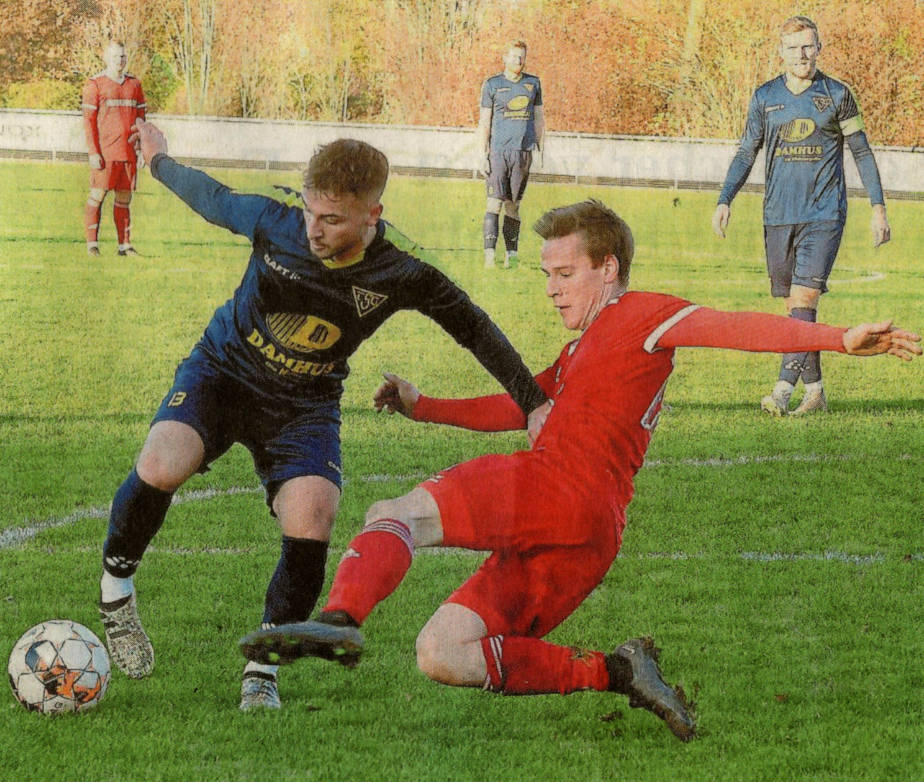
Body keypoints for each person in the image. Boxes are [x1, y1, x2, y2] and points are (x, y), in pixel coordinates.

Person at [240, 199, 920, 741]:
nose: (552, 291)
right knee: (443, 652)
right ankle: (617, 671)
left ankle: (340, 615)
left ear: (609, 269)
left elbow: (732, 326)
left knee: (395, 515)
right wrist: (426, 407)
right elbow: (524, 403)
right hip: (592, 536)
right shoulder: (584, 349)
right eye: (547, 276)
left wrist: (835, 339)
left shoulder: (641, 314)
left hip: (559, 488)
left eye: (565, 274)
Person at [98, 118, 550, 712]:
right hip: (223, 373)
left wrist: (533, 400)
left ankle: (263, 668)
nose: (314, 227)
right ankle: (116, 594)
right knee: (162, 461)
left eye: (332, 219)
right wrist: (158, 161)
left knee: (314, 514)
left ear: (371, 214)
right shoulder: (277, 221)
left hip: (304, 404)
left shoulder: (403, 267)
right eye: (311, 210)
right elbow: (212, 199)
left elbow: (473, 328)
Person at [712, 15, 891, 416]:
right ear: (781, 53)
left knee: (803, 297)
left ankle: (781, 390)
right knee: (794, 309)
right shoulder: (764, 98)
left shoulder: (838, 94)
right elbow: (746, 151)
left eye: (808, 46)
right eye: (793, 48)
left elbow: (861, 151)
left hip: (824, 213)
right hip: (777, 214)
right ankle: (816, 391)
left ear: (819, 48)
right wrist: (725, 198)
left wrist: (877, 207)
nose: (802, 55)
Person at [477, 39, 544, 270]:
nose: (519, 60)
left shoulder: (533, 84)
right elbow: (484, 122)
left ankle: (511, 255)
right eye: (514, 56)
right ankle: (489, 256)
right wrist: (482, 153)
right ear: (505, 58)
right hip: (498, 153)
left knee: (513, 205)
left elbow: (539, 118)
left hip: (522, 153)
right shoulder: (492, 84)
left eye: (522, 56)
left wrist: (541, 149)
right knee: (494, 202)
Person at [81, 40, 146, 257]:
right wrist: (93, 152)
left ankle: (124, 246)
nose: (121, 60)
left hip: (127, 154)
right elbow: (88, 122)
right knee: (97, 196)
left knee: (124, 199)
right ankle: (92, 245)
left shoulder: (134, 85)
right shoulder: (95, 84)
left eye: (123, 56)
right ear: (106, 58)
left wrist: (142, 148)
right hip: (105, 154)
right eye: (116, 56)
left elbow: (141, 121)